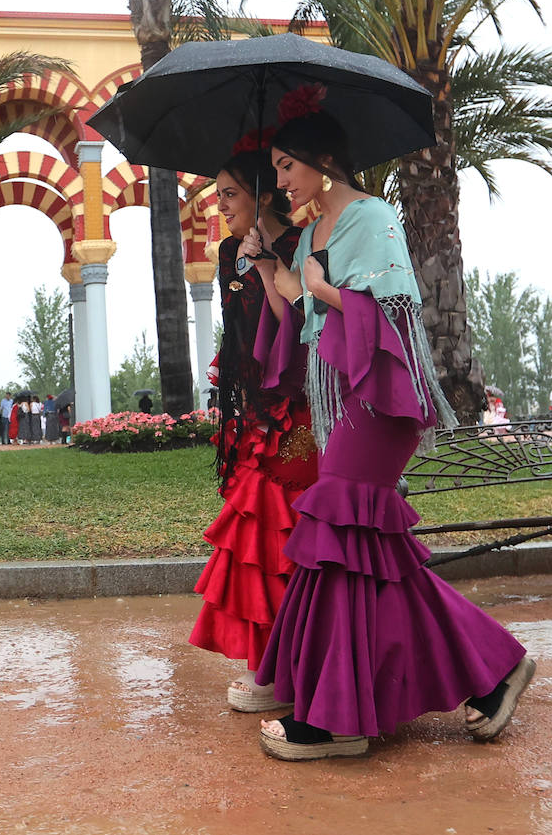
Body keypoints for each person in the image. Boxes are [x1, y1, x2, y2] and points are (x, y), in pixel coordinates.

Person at [239, 91, 533, 761]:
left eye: (288, 167)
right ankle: (493, 671)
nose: (281, 181)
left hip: (381, 395)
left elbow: (398, 312)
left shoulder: (370, 217)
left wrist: (319, 287)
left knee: (340, 530)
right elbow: (298, 317)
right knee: (373, 555)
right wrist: (269, 267)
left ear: (323, 161)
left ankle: (341, 719)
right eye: (277, 171)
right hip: (343, 396)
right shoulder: (313, 232)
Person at [188, 145, 318, 714]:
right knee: (255, 538)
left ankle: (290, 667)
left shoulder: (301, 244)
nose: (221, 205)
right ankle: (269, 668)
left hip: (294, 408)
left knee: (284, 533)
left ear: (262, 193)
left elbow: (296, 328)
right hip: (251, 411)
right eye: (218, 195)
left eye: (231, 194)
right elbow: (238, 335)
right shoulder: (225, 253)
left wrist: (269, 269)